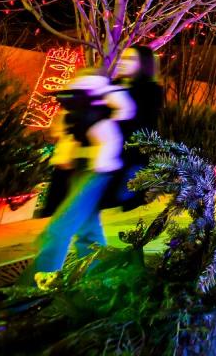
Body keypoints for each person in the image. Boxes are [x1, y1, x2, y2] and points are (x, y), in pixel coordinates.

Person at [27, 69, 135, 286]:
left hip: (97, 173)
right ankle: (99, 277)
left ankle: (36, 283)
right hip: (81, 172)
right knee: (88, 230)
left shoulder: (101, 120)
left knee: (59, 228)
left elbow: (124, 112)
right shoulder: (76, 119)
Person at [105, 45, 163, 210]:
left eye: (130, 59)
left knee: (121, 202)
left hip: (131, 158)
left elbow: (145, 127)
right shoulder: (112, 87)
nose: (123, 62)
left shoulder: (150, 91)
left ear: (144, 64)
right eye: (123, 58)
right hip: (105, 157)